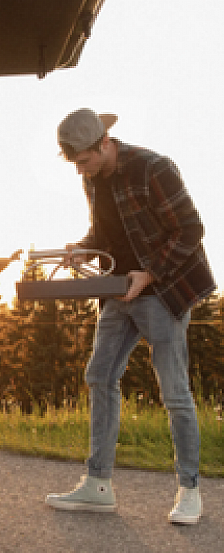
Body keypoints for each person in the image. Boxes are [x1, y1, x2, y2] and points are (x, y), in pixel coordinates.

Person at [45, 108, 216, 524]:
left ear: (104, 143)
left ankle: (190, 490)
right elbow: (105, 233)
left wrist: (150, 273)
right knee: (99, 376)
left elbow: (191, 229)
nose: (80, 170)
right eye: (74, 164)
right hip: (118, 290)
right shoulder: (92, 178)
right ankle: (98, 485)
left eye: (84, 161)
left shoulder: (153, 168)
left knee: (174, 391)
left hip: (161, 290)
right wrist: (83, 248)